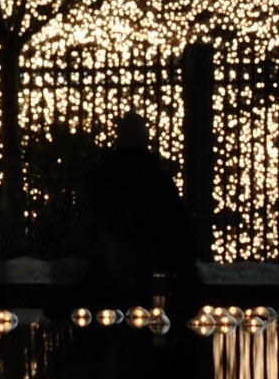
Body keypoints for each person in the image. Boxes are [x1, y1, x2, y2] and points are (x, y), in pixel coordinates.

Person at [81, 112, 202, 307]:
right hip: (154, 259)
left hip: (112, 264)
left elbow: (88, 226)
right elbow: (180, 227)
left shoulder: (102, 180)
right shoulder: (158, 180)